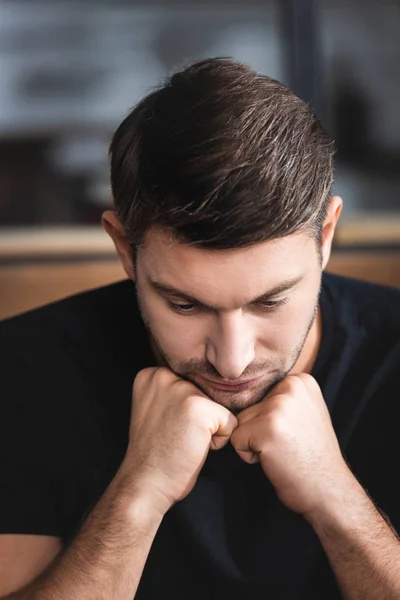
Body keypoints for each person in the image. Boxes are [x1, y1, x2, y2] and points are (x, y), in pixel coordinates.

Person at [0, 58, 399, 600]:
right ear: (124, 248)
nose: (231, 361)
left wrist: (337, 501)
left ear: (325, 235)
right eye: (185, 305)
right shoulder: (23, 371)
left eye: (270, 301)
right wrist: (138, 495)